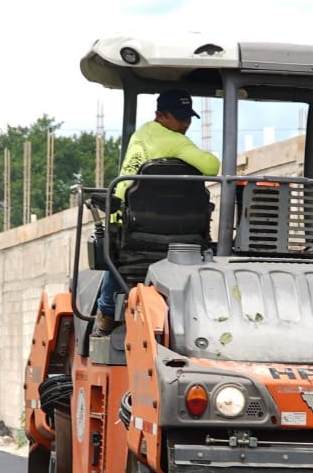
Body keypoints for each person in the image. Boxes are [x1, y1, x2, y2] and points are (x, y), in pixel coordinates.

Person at [94, 89, 220, 335]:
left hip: (134, 224)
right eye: (180, 118)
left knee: (117, 255)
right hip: (183, 233)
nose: (185, 124)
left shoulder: (140, 135)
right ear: (160, 115)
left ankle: (106, 314)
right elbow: (212, 166)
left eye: (188, 117)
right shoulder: (177, 142)